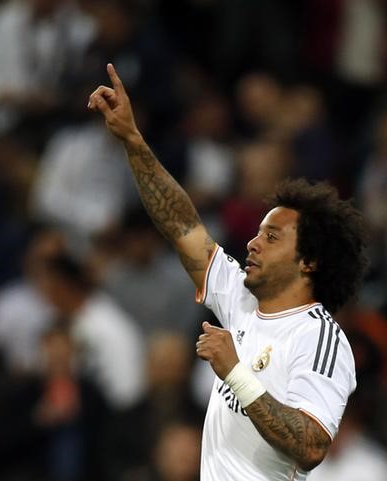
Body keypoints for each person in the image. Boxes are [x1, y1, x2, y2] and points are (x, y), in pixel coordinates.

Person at [88, 64, 369, 480]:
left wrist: (236, 373)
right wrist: (133, 141)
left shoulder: (319, 338)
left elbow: (311, 445)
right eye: (258, 232)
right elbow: (183, 225)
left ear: (309, 261)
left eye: (272, 237)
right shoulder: (241, 299)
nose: (253, 243)